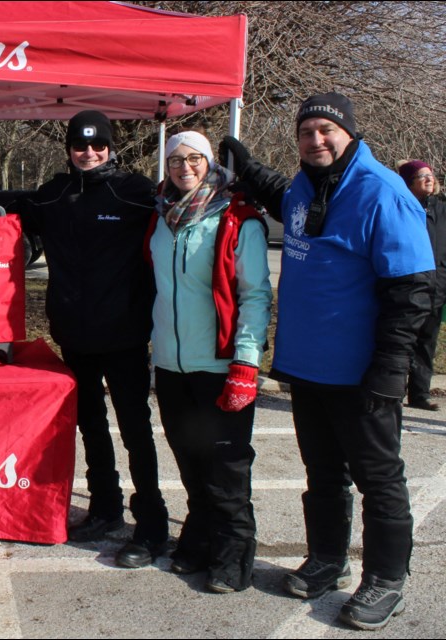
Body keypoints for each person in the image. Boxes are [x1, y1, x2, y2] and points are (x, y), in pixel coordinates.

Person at [221, 92, 434, 630]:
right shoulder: (303, 185)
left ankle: (387, 579)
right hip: (308, 366)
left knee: (379, 479)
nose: (315, 140)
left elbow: (412, 291)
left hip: (362, 373)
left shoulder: (381, 192)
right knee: (322, 474)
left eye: (325, 131)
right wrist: (250, 168)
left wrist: (391, 368)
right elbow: (281, 196)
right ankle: (327, 560)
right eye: (305, 132)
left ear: (349, 134)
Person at [19, 110, 169, 568]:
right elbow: (4, 222)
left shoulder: (137, 191)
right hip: (74, 334)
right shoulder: (51, 195)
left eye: (98, 146)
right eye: (81, 146)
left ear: (110, 148)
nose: (89, 153)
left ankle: (151, 524)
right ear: (68, 149)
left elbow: (187, 207)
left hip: (123, 334)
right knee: (91, 427)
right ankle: (105, 507)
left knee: (135, 430)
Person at [149, 131, 271, 593]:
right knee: (190, 461)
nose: (185, 167)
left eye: (194, 158)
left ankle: (233, 557)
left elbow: (256, 296)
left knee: (227, 469)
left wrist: (246, 363)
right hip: (172, 364)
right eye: (176, 160)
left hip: (220, 365)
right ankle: (198, 540)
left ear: (209, 163)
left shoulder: (239, 219)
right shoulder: (161, 217)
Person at [397, 161, 446, 411]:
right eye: (421, 176)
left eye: (430, 175)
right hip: (407, 289)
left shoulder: (442, 210)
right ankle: (392, 391)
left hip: (437, 290)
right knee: (401, 343)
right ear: (408, 183)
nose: (428, 179)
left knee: (427, 344)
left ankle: (420, 395)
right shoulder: (402, 209)